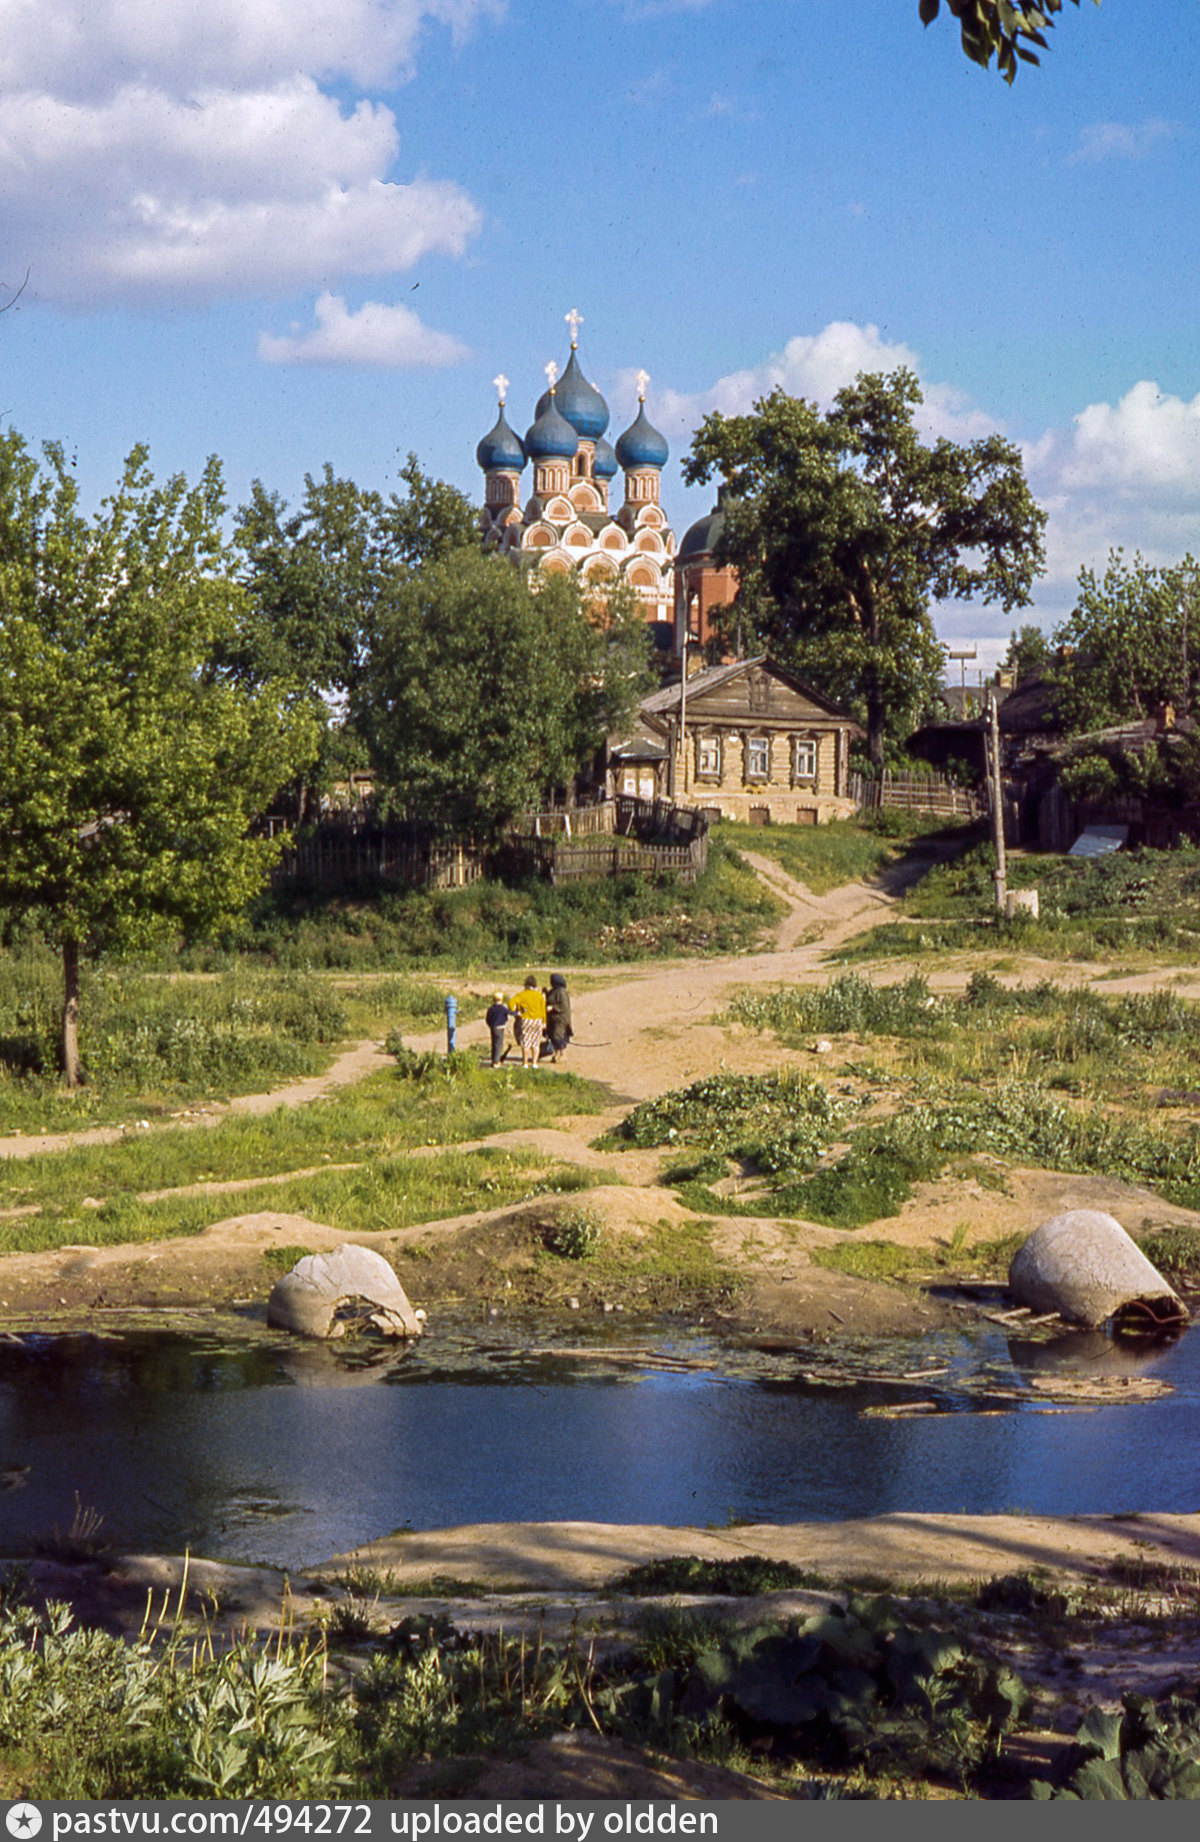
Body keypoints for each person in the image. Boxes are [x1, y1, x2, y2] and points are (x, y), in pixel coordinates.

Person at [509, 974, 547, 1069]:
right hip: (537, 1020)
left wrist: (516, 1012)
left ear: (525, 985)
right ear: (535, 985)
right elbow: (543, 1010)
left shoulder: (521, 995)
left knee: (526, 1043)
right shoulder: (540, 996)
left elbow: (510, 1004)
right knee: (536, 1043)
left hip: (526, 1019)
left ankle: (525, 1063)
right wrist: (544, 1022)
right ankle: (534, 1063)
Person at [544, 972, 573, 1064]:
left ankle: (562, 1054)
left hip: (561, 1018)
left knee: (558, 1036)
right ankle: (556, 1054)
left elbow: (563, 1005)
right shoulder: (554, 991)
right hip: (553, 1019)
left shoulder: (562, 992)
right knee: (553, 1035)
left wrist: (553, 1007)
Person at [485, 990, 512, 1067]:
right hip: (500, 1027)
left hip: (493, 1027)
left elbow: (487, 1018)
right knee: (499, 1044)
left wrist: (490, 1025)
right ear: (502, 999)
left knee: (494, 1044)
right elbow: (510, 1012)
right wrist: (518, 1013)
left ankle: (493, 1060)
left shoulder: (491, 1008)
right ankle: (496, 1062)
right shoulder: (502, 1008)